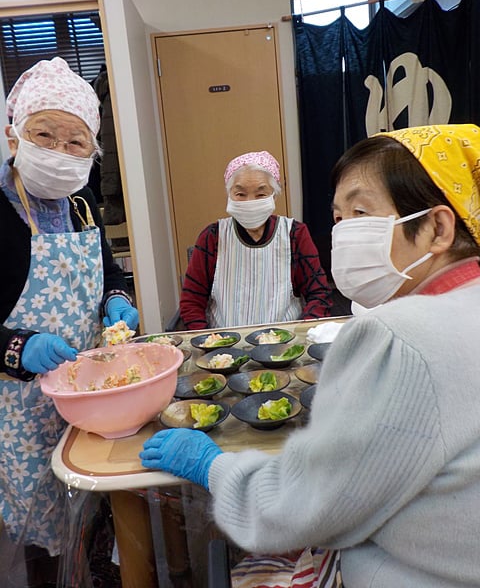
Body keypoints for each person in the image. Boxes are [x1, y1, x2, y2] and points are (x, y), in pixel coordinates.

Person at [141, 124, 480, 588]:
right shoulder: (463, 306)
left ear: (438, 227)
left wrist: (211, 465)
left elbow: (301, 507)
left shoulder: (400, 339)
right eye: (339, 218)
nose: (343, 233)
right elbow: (193, 300)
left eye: (361, 212)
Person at [0, 57, 138, 587]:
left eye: (75, 141)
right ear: (15, 137)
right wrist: (17, 348)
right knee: (46, 530)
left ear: (92, 150)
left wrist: (117, 299)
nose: (60, 153)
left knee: (96, 505)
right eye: (45, 135)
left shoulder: (81, 205)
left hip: (93, 392)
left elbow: (109, 272)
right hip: (25, 410)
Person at [179, 150, 333, 329]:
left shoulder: (294, 234)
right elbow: (191, 302)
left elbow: (319, 294)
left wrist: (302, 334)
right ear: (229, 195)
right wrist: (208, 342)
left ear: (274, 195)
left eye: (260, 195)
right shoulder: (212, 237)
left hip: (284, 343)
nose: (249, 202)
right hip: (224, 346)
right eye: (240, 194)